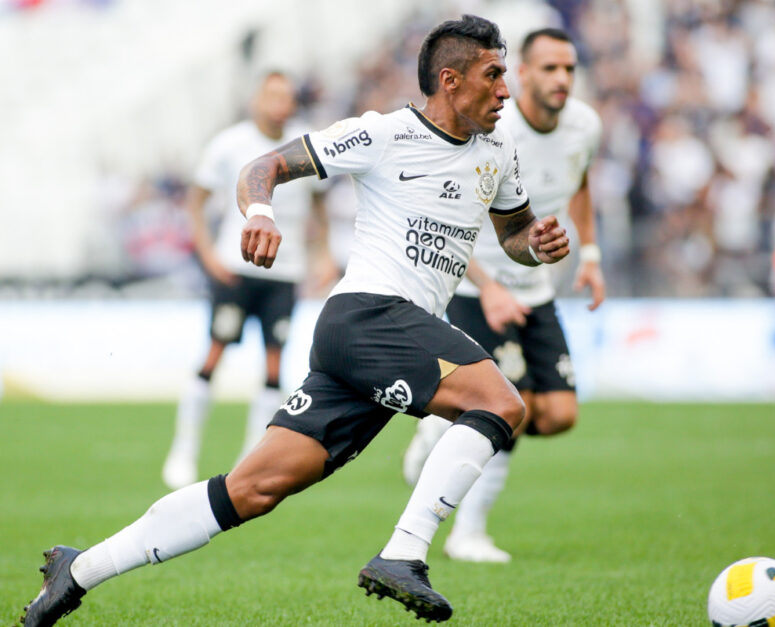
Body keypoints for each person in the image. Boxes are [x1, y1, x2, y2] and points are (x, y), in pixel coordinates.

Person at [21, 15, 570, 626]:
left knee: (250, 490)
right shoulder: (382, 135)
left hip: (381, 341)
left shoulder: (498, 150)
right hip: (369, 314)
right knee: (503, 403)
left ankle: (79, 569)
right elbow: (262, 168)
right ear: (450, 80)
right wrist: (261, 213)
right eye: (493, 75)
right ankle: (404, 553)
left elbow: (513, 232)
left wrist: (536, 243)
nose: (505, 91)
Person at [401, 27, 605, 563]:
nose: (562, 79)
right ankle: (468, 532)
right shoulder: (492, 126)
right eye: (549, 69)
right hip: (476, 287)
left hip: (534, 287)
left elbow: (580, 181)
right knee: (506, 408)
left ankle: (444, 430)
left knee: (557, 413)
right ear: (525, 73)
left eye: (570, 69)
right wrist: (488, 289)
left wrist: (591, 257)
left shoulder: (586, 125)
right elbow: (447, 217)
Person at [162, 70, 330, 490]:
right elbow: (196, 203)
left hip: (284, 273)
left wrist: (321, 256)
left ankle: (248, 460)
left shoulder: (303, 145)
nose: (280, 103)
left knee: (274, 366)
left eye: (286, 96)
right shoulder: (229, 144)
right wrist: (206, 255)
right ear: (257, 99)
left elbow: (319, 207)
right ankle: (183, 450)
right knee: (214, 355)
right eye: (272, 94)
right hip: (234, 269)